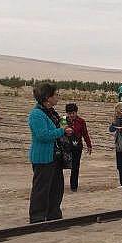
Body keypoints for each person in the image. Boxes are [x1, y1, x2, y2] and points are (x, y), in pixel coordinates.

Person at [28, 83, 73, 223]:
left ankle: (53, 214)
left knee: (56, 187)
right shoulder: (36, 114)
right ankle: (37, 217)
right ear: (47, 97)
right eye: (56, 94)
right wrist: (62, 131)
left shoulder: (51, 112)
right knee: (41, 189)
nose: (58, 97)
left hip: (55, 156)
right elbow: (42, 135)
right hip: (43, 156)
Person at [64, 103, 93, 192]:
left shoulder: (81, 121)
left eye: (73, 113)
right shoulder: (63, 120)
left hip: (77, 147)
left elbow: (85, 134)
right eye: (69, 113)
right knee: (60, 166)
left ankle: (74, 187)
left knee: (75, 167)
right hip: (65, 147)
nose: (71, 115)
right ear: (67, 113)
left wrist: (89, 145)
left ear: (76, 112)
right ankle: (59, 186)